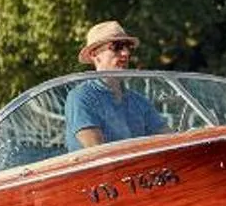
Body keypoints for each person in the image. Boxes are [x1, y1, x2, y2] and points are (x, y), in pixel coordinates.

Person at [65, 19, 167, 149]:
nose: (126, 53)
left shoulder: (139, 102)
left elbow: (168, 139)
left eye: (127, 47)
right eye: (117, 47)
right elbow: (97, 153)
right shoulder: (81, 98)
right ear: (95, 54)